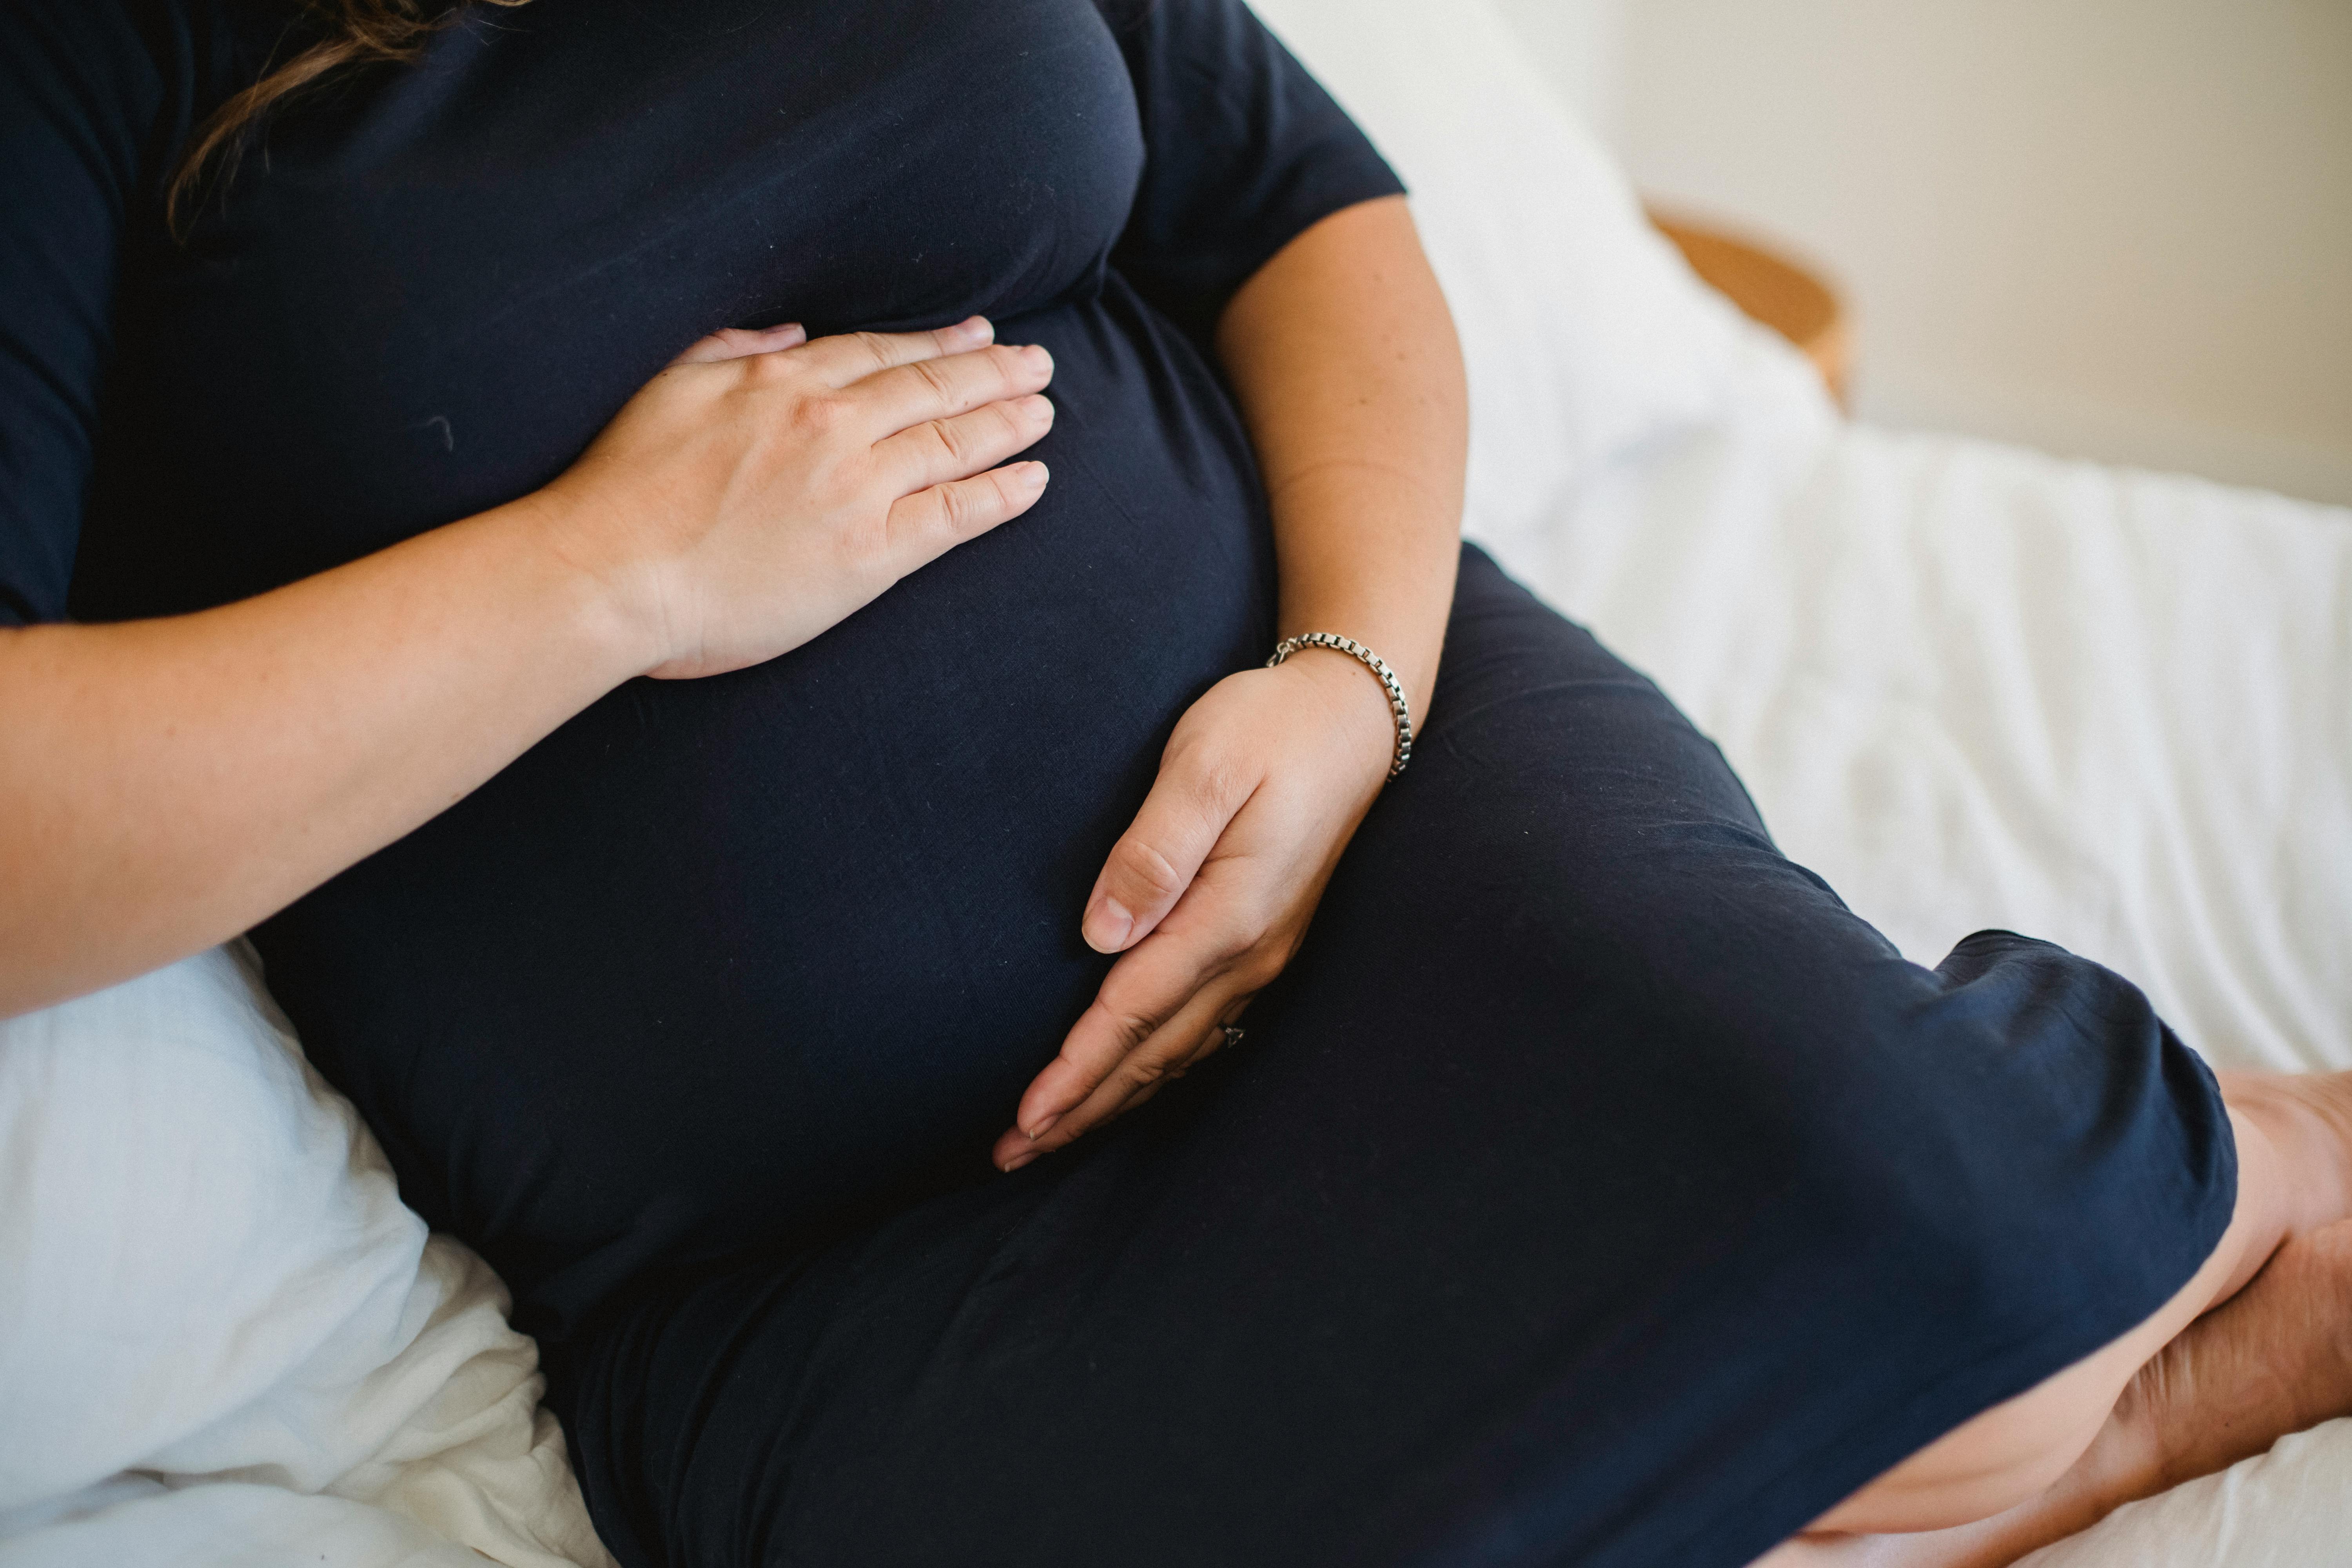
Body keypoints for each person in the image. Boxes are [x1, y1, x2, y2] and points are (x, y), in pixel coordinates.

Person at [1, 1, 2345, 1563]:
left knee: (1890, 1174)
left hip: (1389, 814)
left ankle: (2230, 1189)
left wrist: (1350, 691)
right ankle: (2050, 1423)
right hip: (821, 1245)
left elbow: (1307, 203)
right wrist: (614, 575)